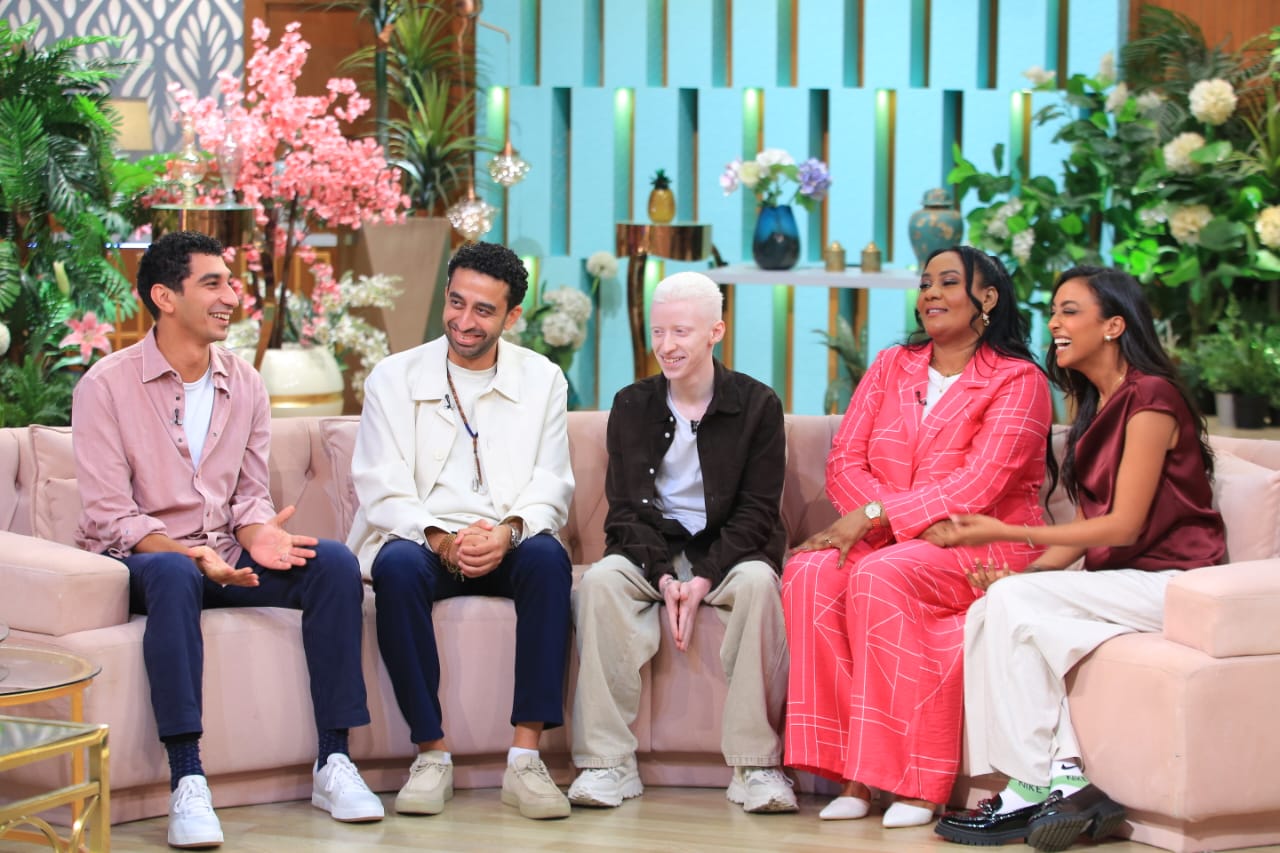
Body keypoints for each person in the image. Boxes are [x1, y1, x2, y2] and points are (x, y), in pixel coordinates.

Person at [72, 231, 383, 849]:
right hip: (147, 560)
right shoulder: (105, 387)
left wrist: (258, 534)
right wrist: (191, 554)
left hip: (228, 555)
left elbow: (248, 494)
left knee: (333, 563)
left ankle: (334, 761)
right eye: (212, 283)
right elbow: (111, 517)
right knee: (174, 575)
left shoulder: (245, 382)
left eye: (230, 282)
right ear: (165, 297)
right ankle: (187, 779)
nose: (231, 297)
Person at [933, 267, 1226, 852]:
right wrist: (1024, 574)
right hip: (1123, 581)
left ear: (1114, 326)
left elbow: (1124, 524)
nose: (1054, 324)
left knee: (1010, 602)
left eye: (1069, 311)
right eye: (1053, 312)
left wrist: (1003, 530)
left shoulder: (1152, 397)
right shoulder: (1095, 406)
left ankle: (1028, 788)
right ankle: (1063, 777)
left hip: (1176, 582)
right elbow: (1087, 528)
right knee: (991, 608)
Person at [782, 246, 1053, 827]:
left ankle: (916, 780)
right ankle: (854, 772)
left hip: (983, 542)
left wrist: (876, 516)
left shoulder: (1019, 380)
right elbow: (845, 461)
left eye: (948, 282)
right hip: (900, 537)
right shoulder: (891, 365)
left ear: (987, 298)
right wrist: (884, 520)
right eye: (925, 282)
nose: (930, 292)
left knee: (883, 574)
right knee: (810, 573)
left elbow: (980, 483)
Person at [347, 241, 574, 821]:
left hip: (507, 539)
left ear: (512, 316)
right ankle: (431, 753)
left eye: (483, 310)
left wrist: (507, 532)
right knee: (396, 567)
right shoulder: (393, 377)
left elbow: (552, 482)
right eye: (456, 303)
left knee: (549, 562)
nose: (464, 321)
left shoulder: (543, 378)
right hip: (425, 539)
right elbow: (380, 482)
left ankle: (525, 759)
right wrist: (440, 539)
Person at [567, 271, 796, 814]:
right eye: (658, 331)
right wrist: (665, 577)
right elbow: (626, 510)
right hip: (651, 549)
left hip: (731, 551)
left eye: (681, 332)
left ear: (716, 331)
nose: (666, 346)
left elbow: (757, 513)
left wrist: (704, 577)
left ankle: (756, 766)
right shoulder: (632, 405)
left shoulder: (757, 405)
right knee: (599, 584)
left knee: (760, 586)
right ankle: (607, 764)